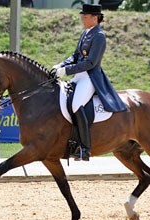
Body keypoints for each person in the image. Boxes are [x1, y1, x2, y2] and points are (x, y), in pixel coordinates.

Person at [51, 3, 126, 161]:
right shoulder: (86, 33)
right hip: (78, 75)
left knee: (76, 105)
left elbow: (91, 62)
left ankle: (85, 148)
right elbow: (75, 56)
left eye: (85, 17)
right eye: (82, 17)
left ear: (95, 18)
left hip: (90, 77)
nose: (82, 19)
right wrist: (60, 65)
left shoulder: (99, 36)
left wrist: (66, 71)